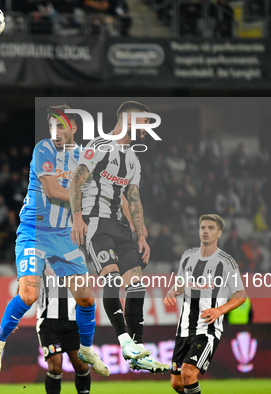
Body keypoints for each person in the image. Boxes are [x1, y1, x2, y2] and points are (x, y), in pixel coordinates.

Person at [0, 105, 109, 378]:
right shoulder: (44, 148)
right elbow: (53, 190)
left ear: (74, 128)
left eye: (62, 126)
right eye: (52, 126)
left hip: (63, 236)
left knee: (87, 299)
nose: (56, 132)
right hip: (34, 231)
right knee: (29, 295)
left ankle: (86, 348)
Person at [69, 101, 168, 373]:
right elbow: (76, 181)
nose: (147, 131)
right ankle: (125, 341)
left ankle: (139, 350)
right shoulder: (100, 146)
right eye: (146, 124)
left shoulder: (133, 159)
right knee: (112, 279)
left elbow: (133, 199)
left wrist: (142, 234)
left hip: (121, 227)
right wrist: (77, 217)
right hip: (95, 224)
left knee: (136, 283)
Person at [164, 214, 247, 394]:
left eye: (211, 228)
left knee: (188, 373)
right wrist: (172, 291)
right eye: (203, 227)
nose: (206, 231)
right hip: (184, 327)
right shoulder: (187, 257)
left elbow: (241, 295)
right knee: (177, 383)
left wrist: (220, 310)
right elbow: (180, 284)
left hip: (207, 328)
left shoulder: (226, 262)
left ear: (219, 233)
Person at [37, 262, 91, 394]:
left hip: (74, 322)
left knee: (82, 366)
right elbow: (26, 284)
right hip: (49, 323)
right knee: (55, 367)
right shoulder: (42, 258)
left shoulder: (77, 256)